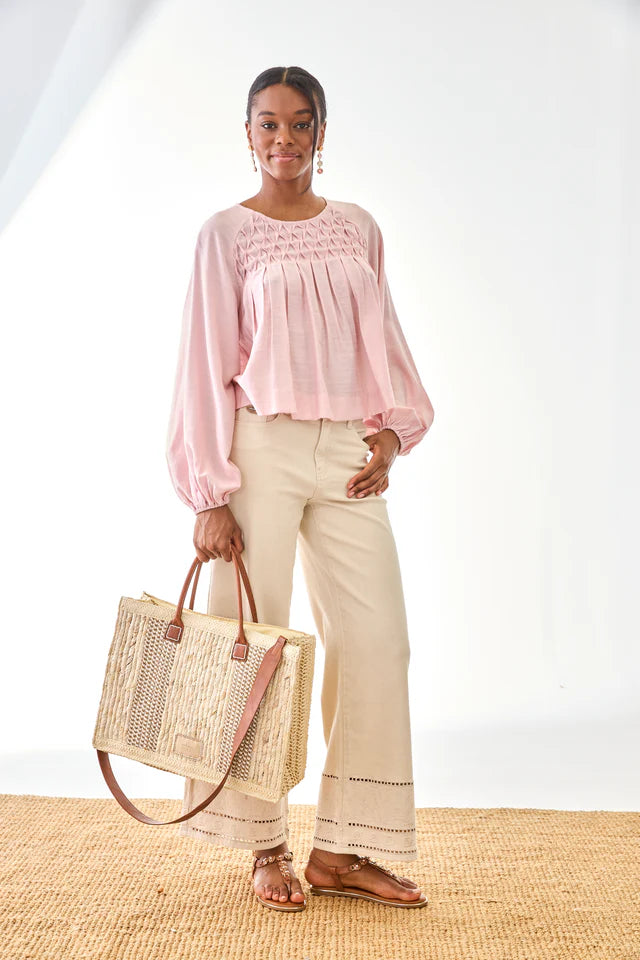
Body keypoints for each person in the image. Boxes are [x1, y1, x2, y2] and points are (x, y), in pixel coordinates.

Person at [165, 65, 435, 912]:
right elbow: (203, 363)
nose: (284, 139)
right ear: (247, 134)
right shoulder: (225, 235)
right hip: (258, 452)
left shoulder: (358, 228)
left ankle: (344, 849)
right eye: (268, 123)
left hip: (350, 448)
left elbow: (382, 334)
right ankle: (264, 844)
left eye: (300, 123)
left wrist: (392, 429)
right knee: (255, 644)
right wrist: (209, 492)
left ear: (323, 132)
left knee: (378, 642)